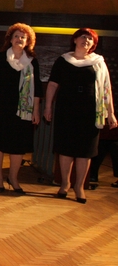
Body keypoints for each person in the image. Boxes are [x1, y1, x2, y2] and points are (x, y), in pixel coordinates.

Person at [44, 28, 117, 204]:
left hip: (90, 112)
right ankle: (65, 184)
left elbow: (106, 88)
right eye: (83, 37)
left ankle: (79, 187)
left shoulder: (98, 62)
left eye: (90, 39)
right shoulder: (63, 60)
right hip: (66, 109)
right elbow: (52, 85)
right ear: (75, 40)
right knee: (65, 149)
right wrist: (47, 107)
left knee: (85, 151)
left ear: (93, 44)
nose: (86, 40)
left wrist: (111, 113)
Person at [0, 23, 42, 194]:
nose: (19, 39)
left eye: (23, 37)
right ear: (10, 39)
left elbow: (37, 89)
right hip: (0, 107)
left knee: (18, 145)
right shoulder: (1, 58)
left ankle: (13, 178)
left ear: (28, 41)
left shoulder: (32, 62)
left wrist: (36, 110)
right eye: (16, 36)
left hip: (23, 110)